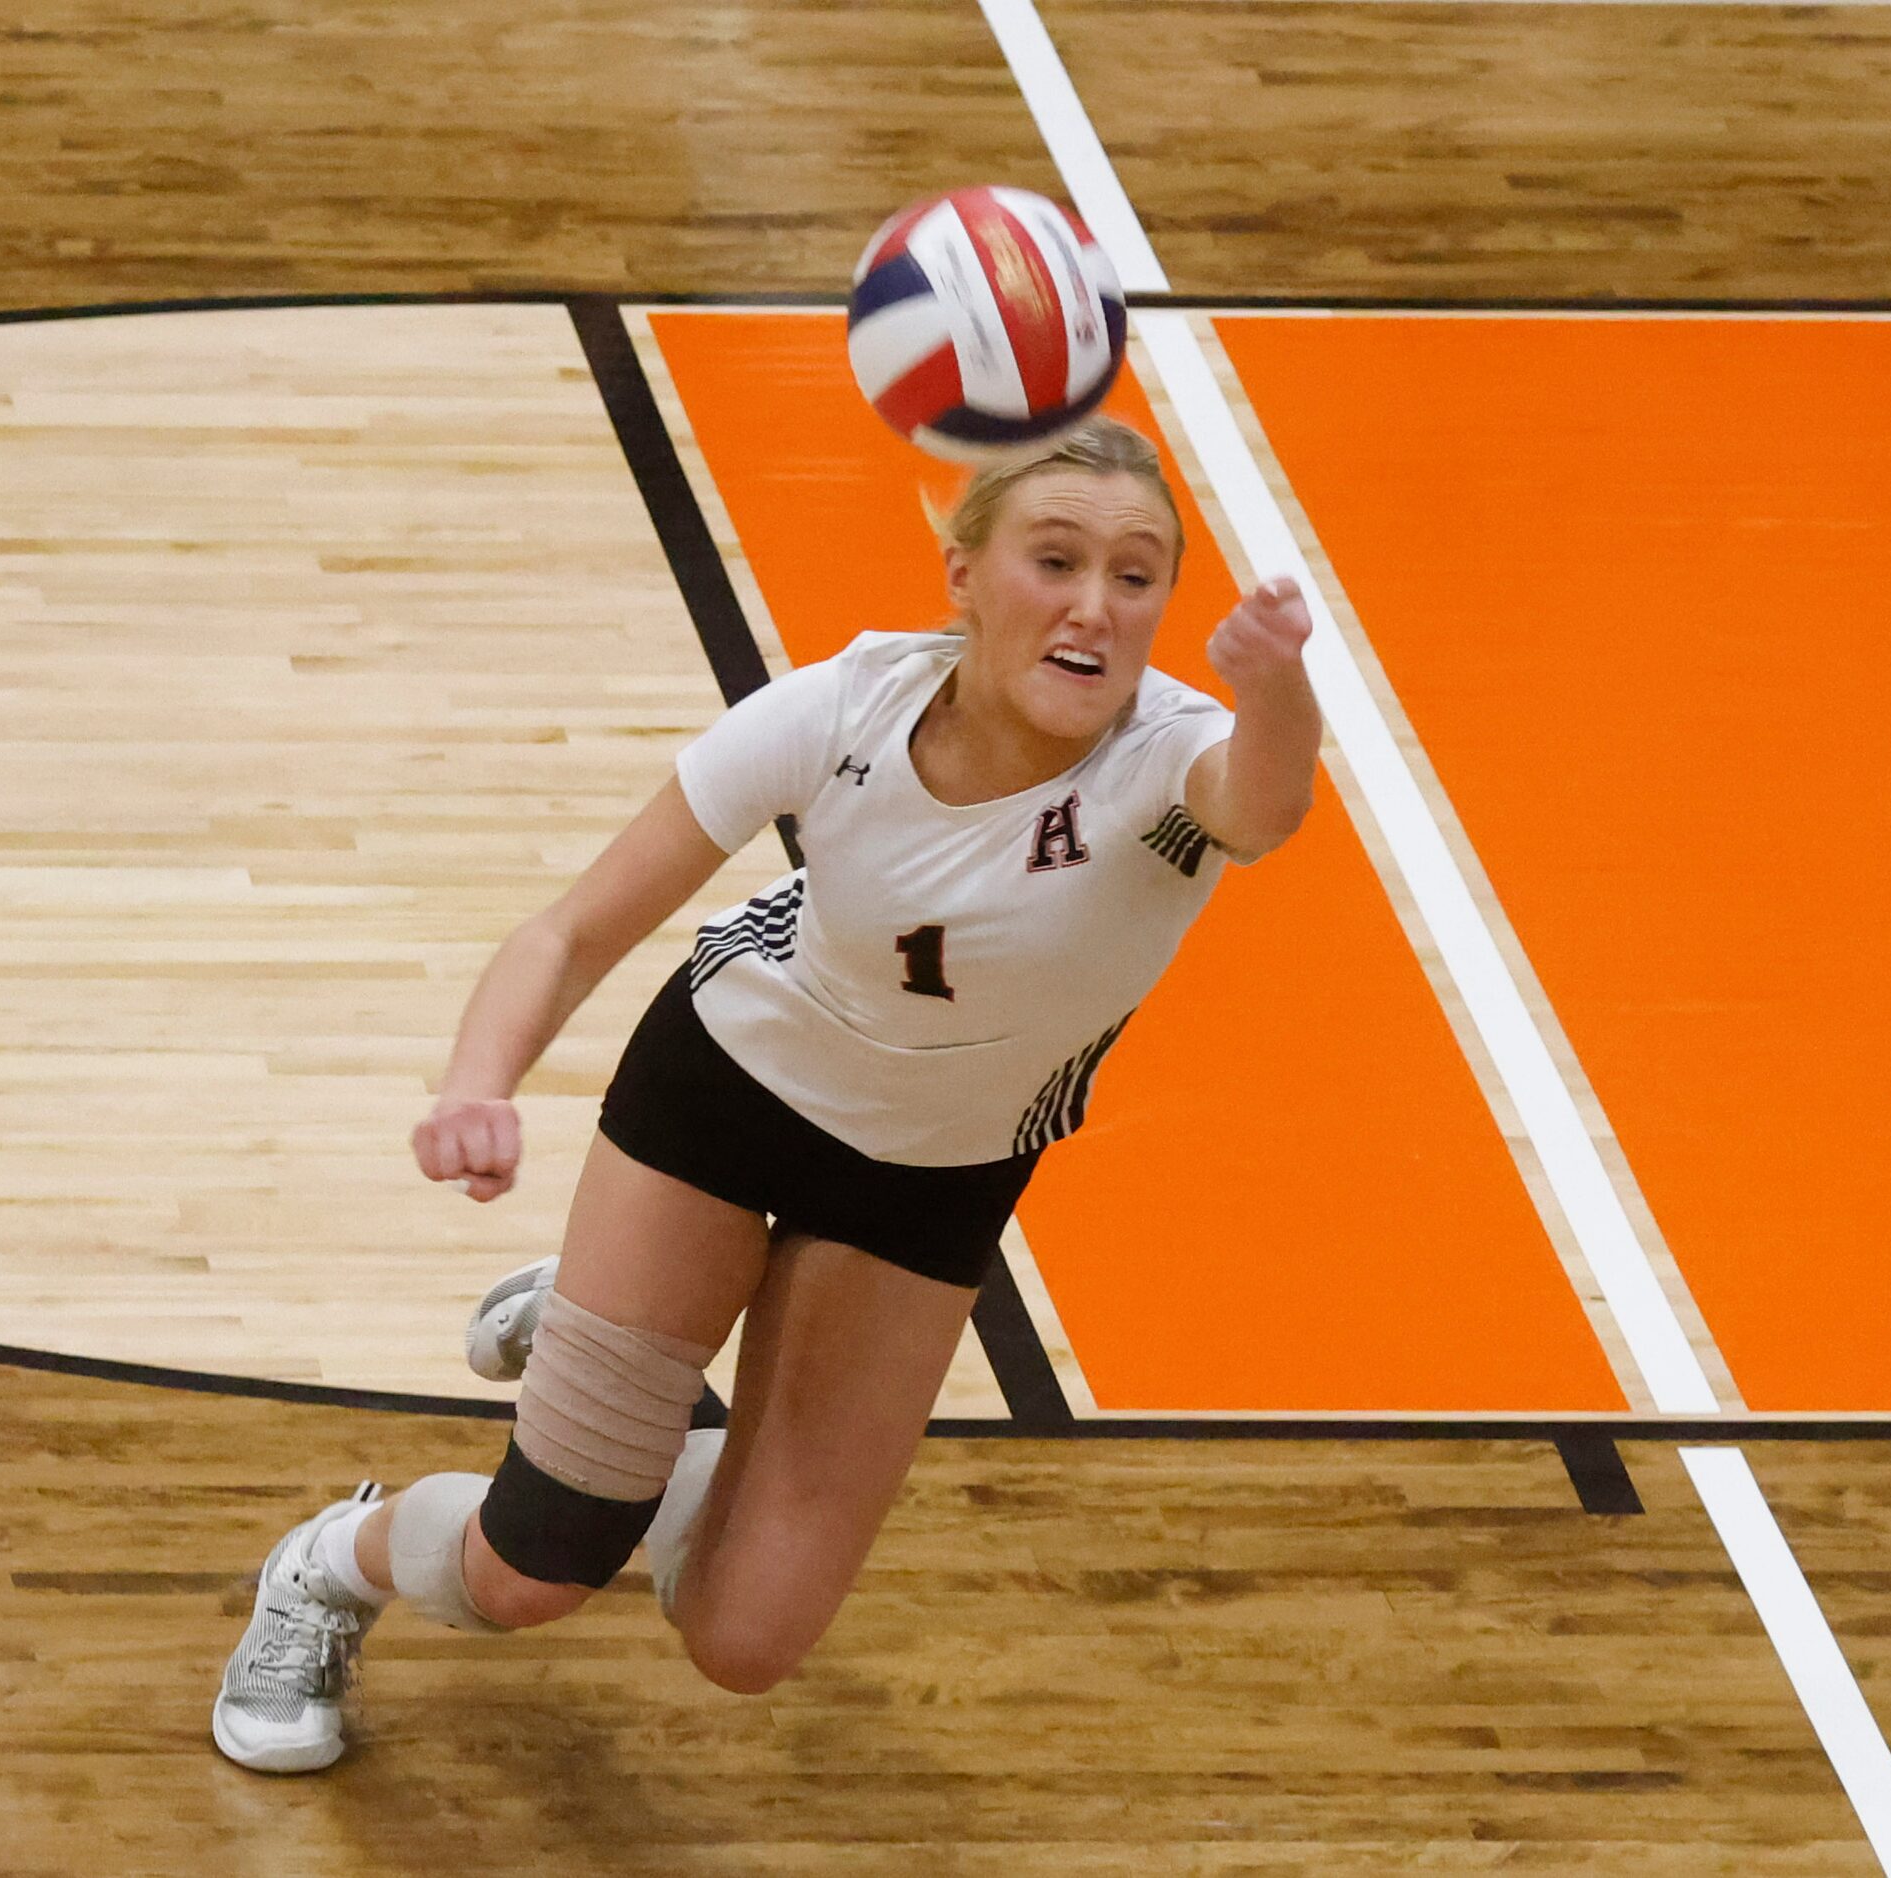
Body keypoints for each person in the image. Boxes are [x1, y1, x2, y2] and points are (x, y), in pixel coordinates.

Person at [212, 416, 1321, 1773]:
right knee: (540, 1562)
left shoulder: (1165, 764)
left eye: (1138, 574)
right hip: (724, 1102)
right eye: (1057, 559)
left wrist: (1276, 689)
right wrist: (479, 1083)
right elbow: (569, 931)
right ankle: (327, 1566)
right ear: (964, 573)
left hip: (931, 1181)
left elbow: (1259, 808)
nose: (1097, 605)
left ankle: (602, 1336)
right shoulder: (841, 710)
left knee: (744, 1638)